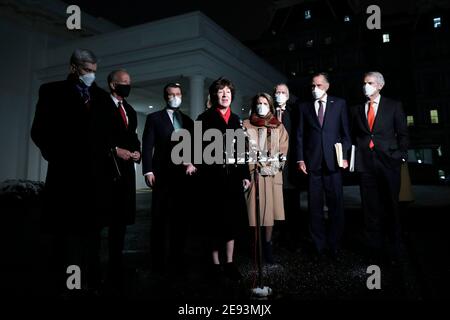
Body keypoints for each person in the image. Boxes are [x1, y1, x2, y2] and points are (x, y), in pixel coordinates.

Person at [31, 48, 111, 295]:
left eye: (94, 72)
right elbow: (39, 131)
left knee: (93, 233)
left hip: (95, 178)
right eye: (87, 71)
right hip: (65, 177)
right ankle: (68, 282)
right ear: (73, 68)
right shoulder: (51, 92)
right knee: (66, 236)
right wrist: (60, 157)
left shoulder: (101, 97)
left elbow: (108, 134)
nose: (91, 76)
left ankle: (93, 277)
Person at [350, 71, 409, 265]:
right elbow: (355, 136)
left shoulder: (393, 106)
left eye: (370, 83)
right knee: (369, 207)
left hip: (388, 162)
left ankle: (395, 246)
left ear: (380, 86)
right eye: (364, 82)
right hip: (366, 164)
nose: (366, 86)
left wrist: (399, 155)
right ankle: (373, 248)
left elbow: (403, 133)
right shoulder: (358, 109)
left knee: (391, 205)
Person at [196, 77, 251, 281]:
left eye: (228, 91)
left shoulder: (236, 119)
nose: (225, 94)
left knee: (232, 222)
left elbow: (241, 150)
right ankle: (215, 265)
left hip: (233, 178)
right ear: (214, 95)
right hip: (212, 179)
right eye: (221, 91)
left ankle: (229, 262)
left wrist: (245, 173)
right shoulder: (203, 118)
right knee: (213, 222)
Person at [142, 83, 196, 275]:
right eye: (171, 94)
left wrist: (192, 163)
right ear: (165, 97)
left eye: (178, 94)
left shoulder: (188, 121)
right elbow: (147, 146)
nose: (175, 97)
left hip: (182, 179)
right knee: (159, 219)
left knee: (180, 220)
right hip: (162, 176)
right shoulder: (154, 118)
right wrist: (147, 171)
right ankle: (157, 261)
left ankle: (177, 258)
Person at [296, 72, 351, 260]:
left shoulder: (340, 104)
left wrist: (343, 157)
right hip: (313, 164)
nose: (315, 89)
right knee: (314, 206)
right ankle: (318, 245)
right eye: (312, 86)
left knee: (336, 204)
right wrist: (300, 159)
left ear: (327, 86)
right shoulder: (304, 107)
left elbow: (346, 134)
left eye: (318, 85)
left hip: (334, 163)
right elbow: (300, 135)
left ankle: (334, 244)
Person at [101, 69, 141, 291]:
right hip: (105, 171)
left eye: (129, 82)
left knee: (120, 222)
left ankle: (115, 265)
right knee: (99, 220)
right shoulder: (100, 105)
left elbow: (133, 137)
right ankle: (93, 268)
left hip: (125, 173)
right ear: (112, 84)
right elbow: (95, 135)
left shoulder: (131, 111)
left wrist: (137, 152)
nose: (127, 85)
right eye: (123, 82)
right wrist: (115, 150)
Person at [243, 93, 288, 264]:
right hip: (253, 173)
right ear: (254, 106)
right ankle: (255, 247)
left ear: (270, 106)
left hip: (271, 174)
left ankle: (268, 246)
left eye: (265, 103)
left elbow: (283, 148)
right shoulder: (246, 124)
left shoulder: (278, 126)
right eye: (258, 103)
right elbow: (242, 148)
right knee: (253, 212)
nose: (261, 106)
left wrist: (273, 164)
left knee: (270, 212)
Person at [272, 83, 303, 250]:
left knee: (292, 205)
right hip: (273, 166)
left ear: (289, 96)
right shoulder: (267, 112)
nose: (280, 94)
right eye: (277, 92)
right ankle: (276, 237)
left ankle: (293, 238)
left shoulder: (295, 113)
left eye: (283, 92)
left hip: (291, 165)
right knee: (275, 203)